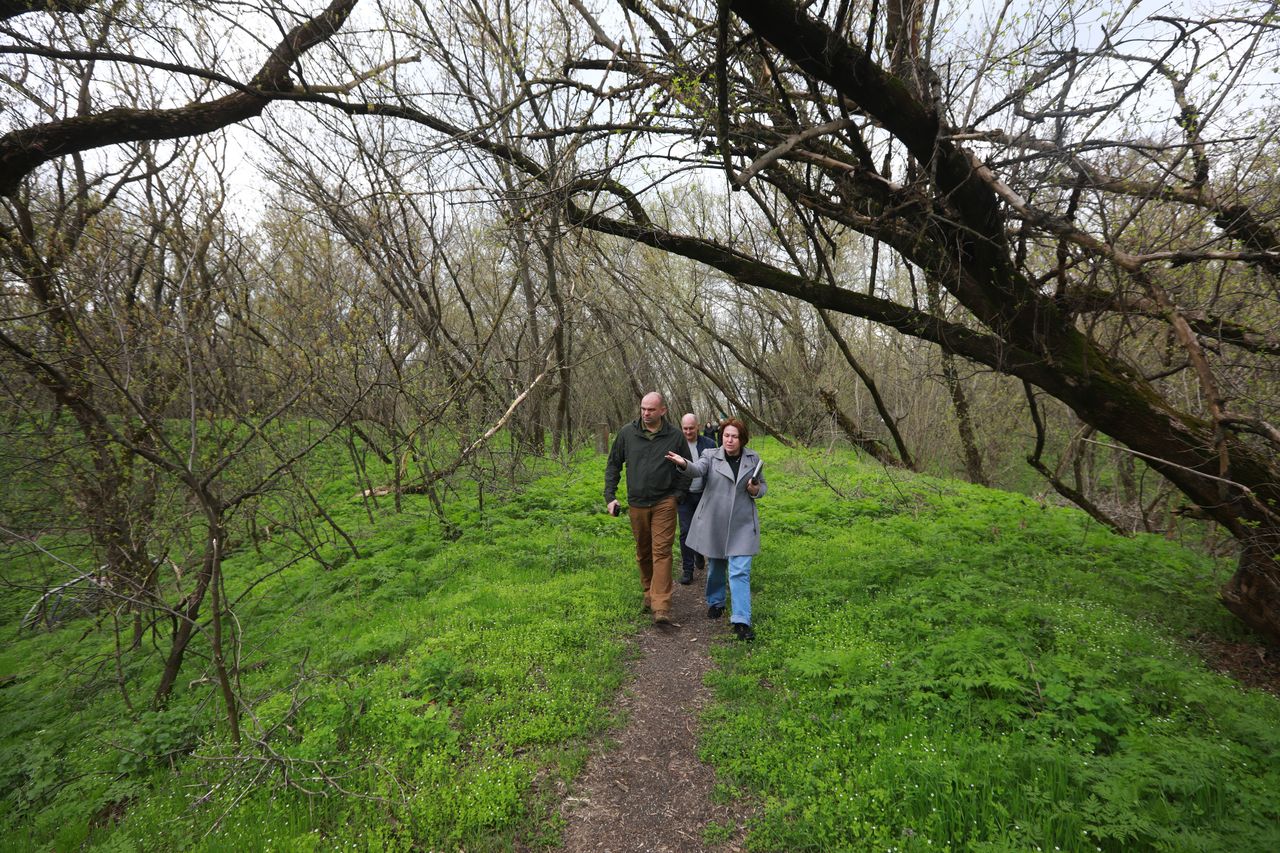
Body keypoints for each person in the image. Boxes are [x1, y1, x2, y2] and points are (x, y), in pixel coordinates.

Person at [664, 417, 766, 641]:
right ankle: (716, 601)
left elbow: (762, 487)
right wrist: (683, 463)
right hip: (715, 520)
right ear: (721, 437)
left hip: (742, 523)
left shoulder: (753, 458)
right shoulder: (710, 455)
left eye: (734, 436)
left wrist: (755, 489)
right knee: (716, 566)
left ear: (742, 439)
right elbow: (697, 470)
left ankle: (741, 620)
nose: (729, 440)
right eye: (726, 435)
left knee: (739, 571)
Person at [604, 392, 692, 624]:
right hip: (637, 502)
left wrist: (677, 496)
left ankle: (661, 606)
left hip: (664, 501)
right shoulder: (627, 433)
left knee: (661, 552)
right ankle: (648, 592)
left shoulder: (675, 436)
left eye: (651, 409)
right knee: (643, 551)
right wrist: (610, 496)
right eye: (643, 408)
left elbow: (687, 468)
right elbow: (613, 465)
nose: (645, 413)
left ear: (663, 410)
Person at [677, 413, 717, 585]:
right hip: (684, 495)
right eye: (685, 428)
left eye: (691, 428)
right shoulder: (676, 445)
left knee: (703, 530)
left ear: (698, 427)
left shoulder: (709, 444)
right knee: (686, 531)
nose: (688, 432)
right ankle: (688, 570)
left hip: (704, 494)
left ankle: (699, 553)